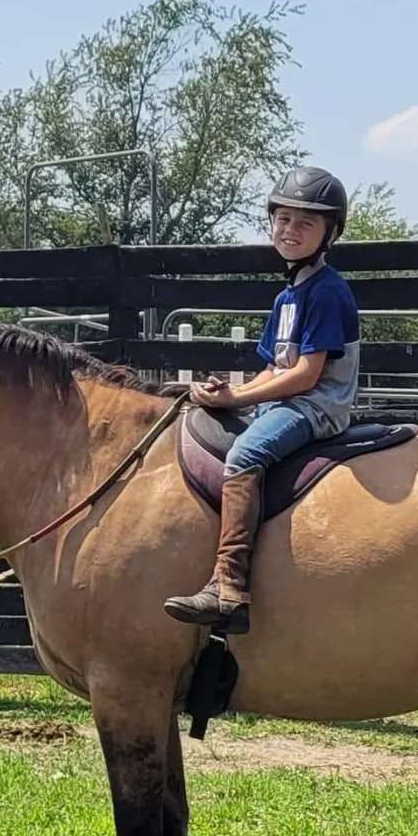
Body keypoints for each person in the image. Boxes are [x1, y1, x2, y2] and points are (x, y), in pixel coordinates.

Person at [163, 166, 360, 635]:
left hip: (317, 407)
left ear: (329, 233)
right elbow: (274, 368)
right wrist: (230, 396)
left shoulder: (329, 291)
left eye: (305, 223)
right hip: (288, 399)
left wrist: (241, 396)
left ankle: (228, 585)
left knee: (246, 452)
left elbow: (306, 375)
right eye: (283, 219)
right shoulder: (287, 296)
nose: (290, 231)